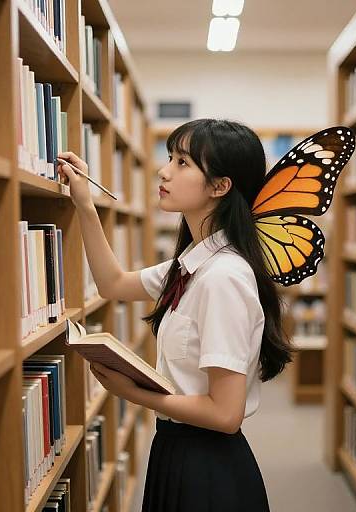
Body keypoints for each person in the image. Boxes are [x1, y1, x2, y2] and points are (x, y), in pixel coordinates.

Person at [57, 118, 294, 512]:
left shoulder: (223, 278)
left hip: (208, 467)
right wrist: (84, 202)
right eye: (170, 157)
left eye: (183, 162)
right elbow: (113, 284)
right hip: (176, 449)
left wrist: (133, 392)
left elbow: (225, 413)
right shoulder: (191, 266)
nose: (163, 170)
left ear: (221, 186)